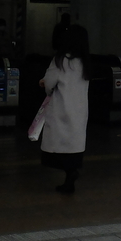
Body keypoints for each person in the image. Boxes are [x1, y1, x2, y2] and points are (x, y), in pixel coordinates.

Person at [38, 24, 91, 194]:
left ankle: (69, 177)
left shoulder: (61, 60)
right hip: (79, 110)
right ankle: (70, 178)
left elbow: (50, 83)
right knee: (73, 147)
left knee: (58, 146)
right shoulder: (85, 62)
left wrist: (44, 84)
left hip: (61, 109)